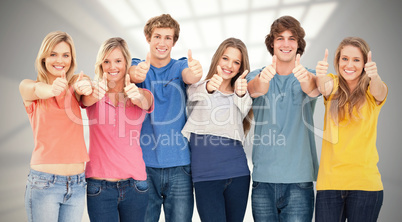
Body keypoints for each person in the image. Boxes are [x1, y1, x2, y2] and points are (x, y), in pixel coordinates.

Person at [128, 14, 203, 222]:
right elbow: (132, 73)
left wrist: (196, 72)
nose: (162, 43)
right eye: (157, 36)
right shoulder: (138, 65)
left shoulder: (179, 67)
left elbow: (191, 76)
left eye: (168, 38)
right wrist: (137, 73)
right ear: (147, 38)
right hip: (144, 166)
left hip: (180, 166)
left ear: (174, 42)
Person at [246, 15, 320, 221]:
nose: (286, 43)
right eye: (280, 38)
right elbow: (254, 89)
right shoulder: (257, 75)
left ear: (299, 45)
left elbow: (314, 89)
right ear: (272, 43)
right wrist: (264, 80)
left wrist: (306, 82)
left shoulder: (310, 75)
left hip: (299, 181)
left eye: (292, 38)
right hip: (263, 181)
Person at [19, 31, 91, 222]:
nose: (60, 60)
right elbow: (36, 89)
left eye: (65, 55)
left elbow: (85, 86)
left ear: (71, 59)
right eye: (53, 54)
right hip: (44, 184)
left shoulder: (74, 86)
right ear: (43, 58)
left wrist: (88, 86)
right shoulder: (28, 86)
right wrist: (51, 89)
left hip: (76, 185)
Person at [315, 37, 387, 222]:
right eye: (344, 58)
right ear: (338, 61)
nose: (350, 64)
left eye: (356, 60)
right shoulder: (333, 84)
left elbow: (381, 92)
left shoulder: (372, 89)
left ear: (364, 64)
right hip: (329, 184)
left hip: (365, 185)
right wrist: (321, 75)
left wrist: (375, 76)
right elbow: (324, 87)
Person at [81, 37, 154, 222]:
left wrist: (135, 96)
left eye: (118, 61)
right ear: (101, 64)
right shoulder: (92, 93)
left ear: (126, 63)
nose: (112, 66)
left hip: (135, 186)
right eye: (106, 61)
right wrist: (93, 90)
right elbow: (84, 99)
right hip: (99, 187)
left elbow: (146, 102)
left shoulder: (141, 93)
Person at [181, 37, 253, 222]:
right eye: (225, 58)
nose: (229, 65)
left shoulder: (241, 94)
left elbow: (246, 106)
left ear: (241, 67)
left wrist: (241, 92)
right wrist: (209, 87)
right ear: (217, 59)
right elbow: (194, 95)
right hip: (206, 176)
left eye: (236, 62)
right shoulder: (197, 88)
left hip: (238, 174)